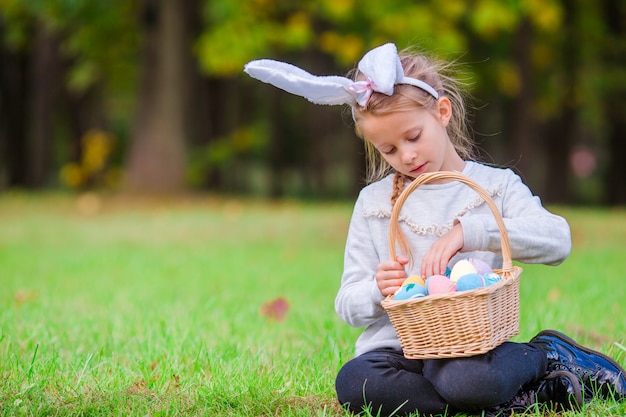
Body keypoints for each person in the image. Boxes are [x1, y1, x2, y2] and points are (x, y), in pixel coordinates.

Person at [244, 43, 626, 416]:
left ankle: (545, 355)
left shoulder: (495, 188)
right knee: (356, 382)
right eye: (389, 150)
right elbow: (347, 304)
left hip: (471, 352)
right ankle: (516, 399)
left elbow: (558, 241)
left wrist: (472, 232)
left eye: (413, 137)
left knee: (466, 379)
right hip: (399, 353)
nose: (406, 156)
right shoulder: (374, 204)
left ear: (442, 112)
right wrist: (378, 289)